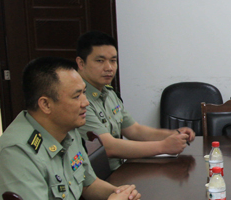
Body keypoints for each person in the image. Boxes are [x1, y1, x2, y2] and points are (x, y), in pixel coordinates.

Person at [0, 57, 141, 200]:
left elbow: (88, 184)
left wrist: (120, 194)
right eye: (76, 96)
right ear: (46, 105)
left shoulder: (67, 129)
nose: (86, 102)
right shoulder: (17, 152)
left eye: (84, 92)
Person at [76, 31, 195, 171]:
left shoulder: (109, 93)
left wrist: (173, 134)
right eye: (100, 61)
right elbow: (108, 146)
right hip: (96, 178)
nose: (109, 68)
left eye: (113, 61)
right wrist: (163, 146)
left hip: (119, 171)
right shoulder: (78, 100)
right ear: (81, 63)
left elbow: (134, 130)